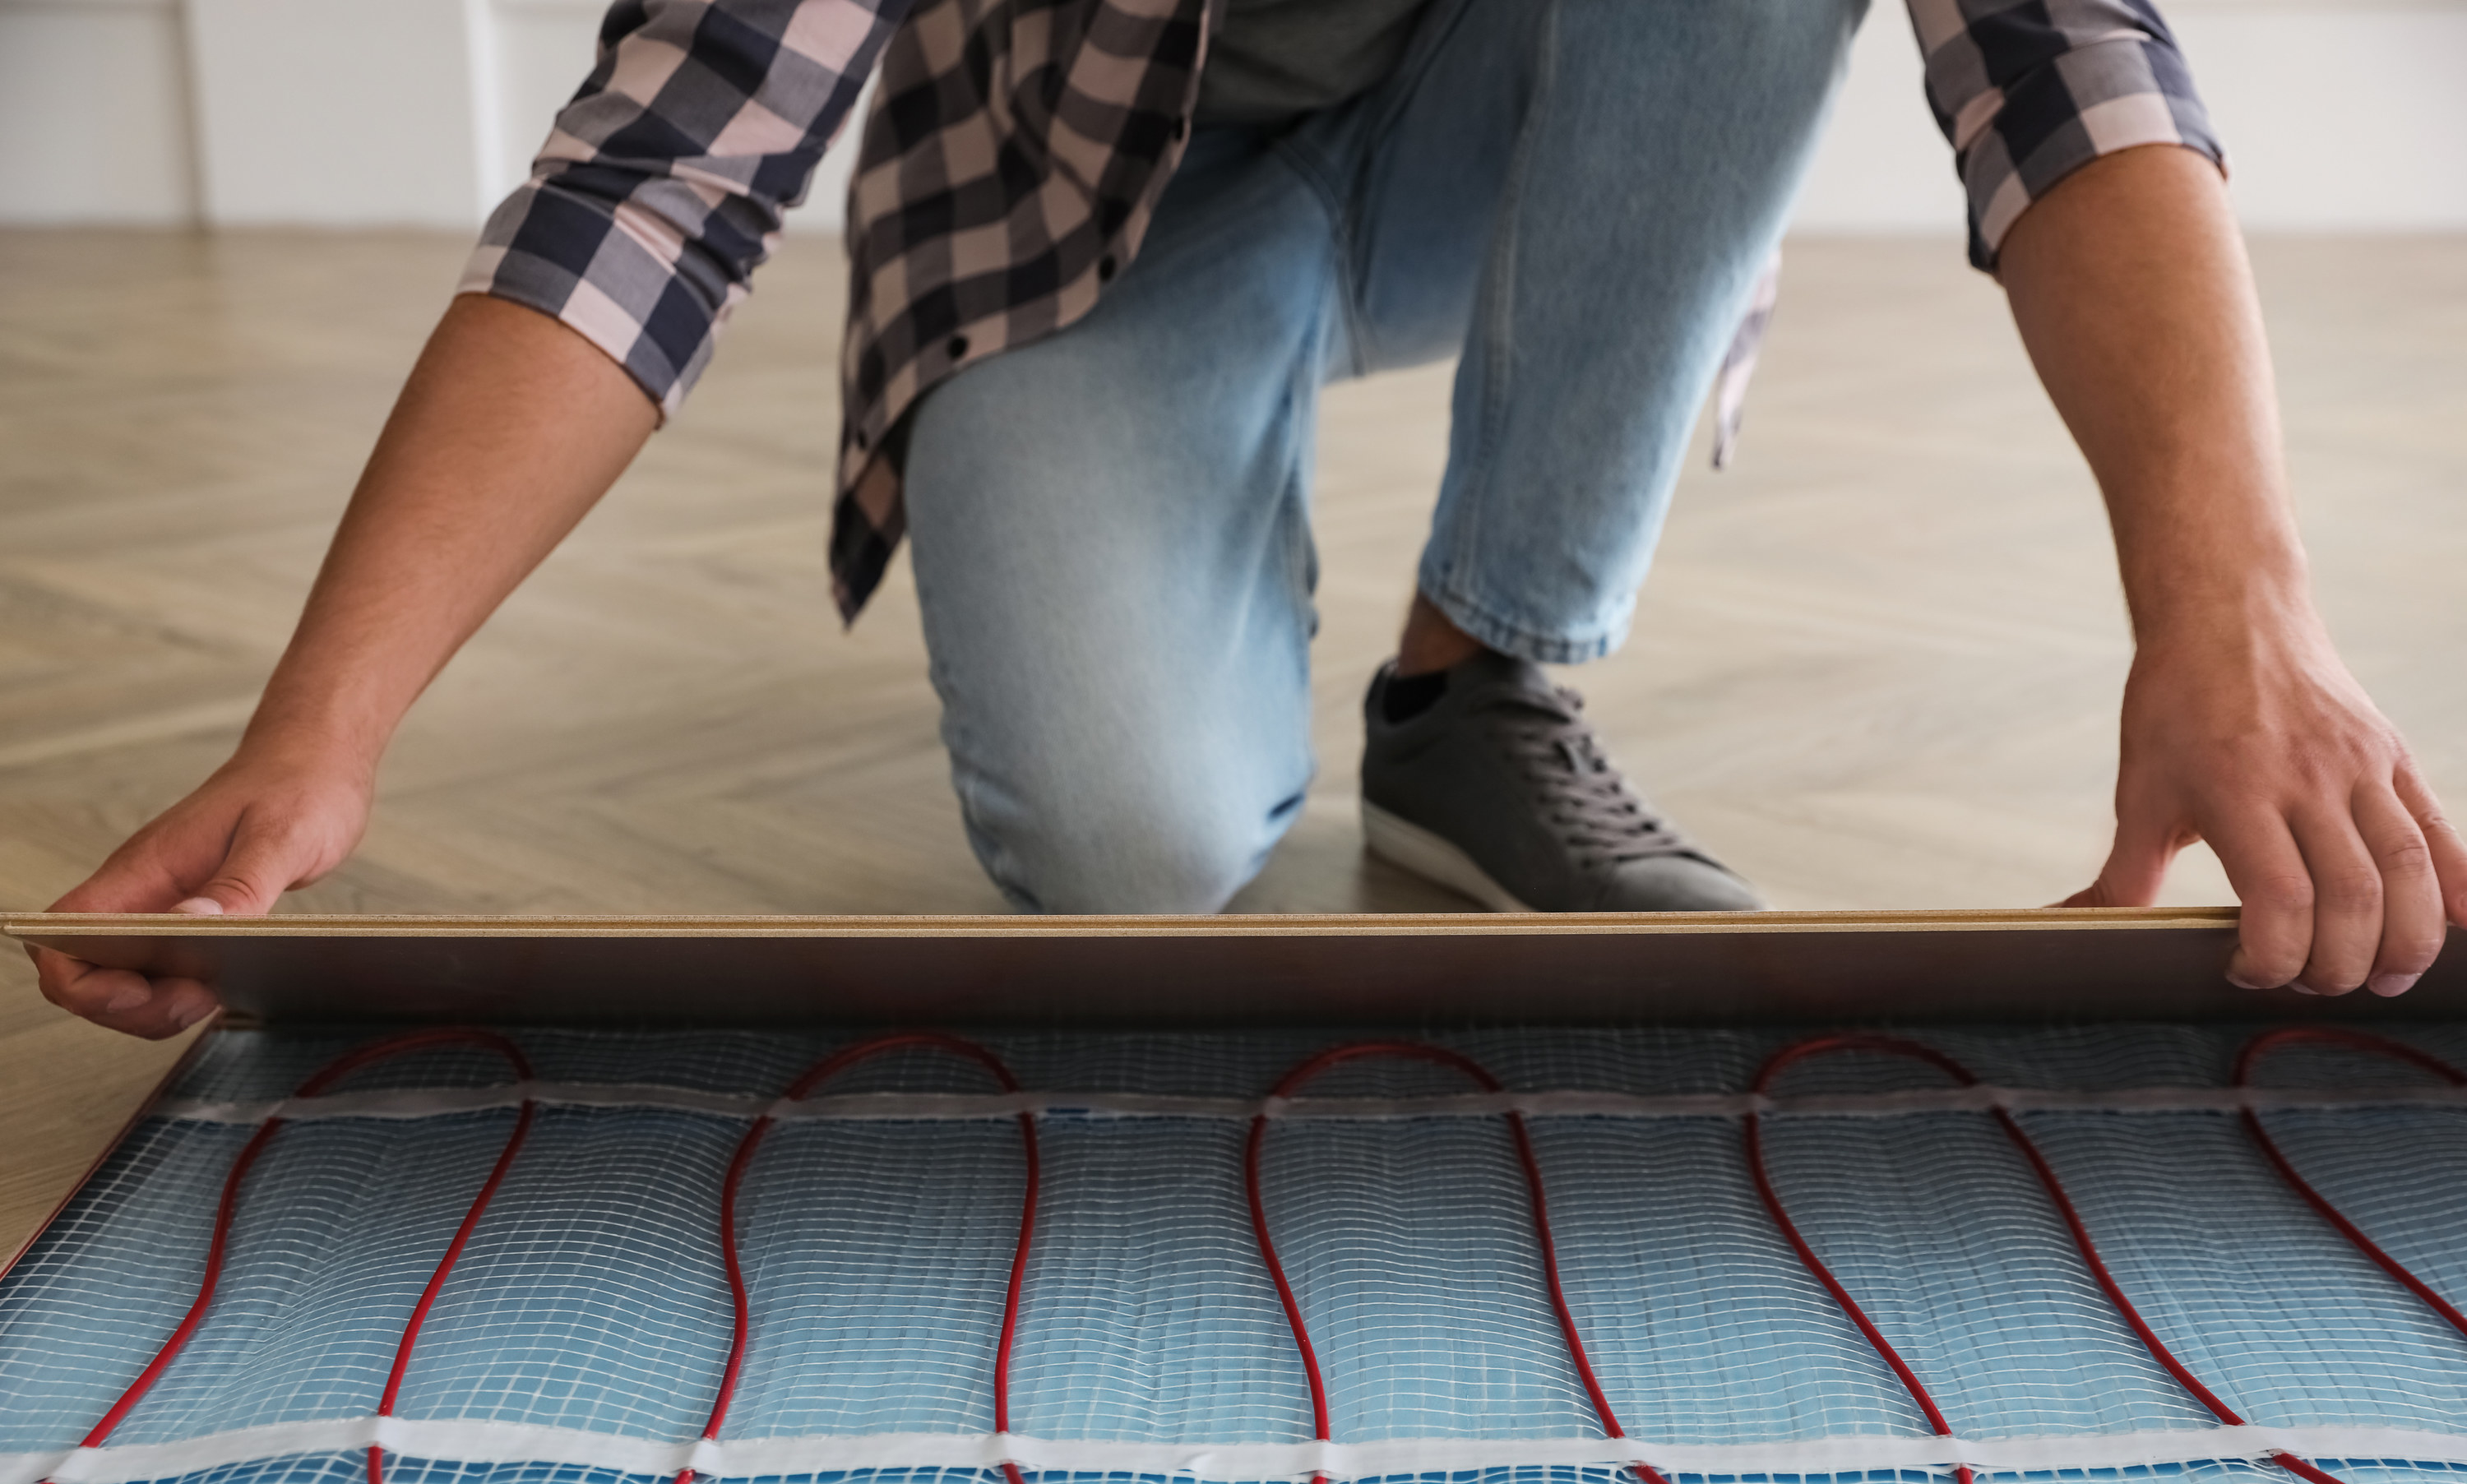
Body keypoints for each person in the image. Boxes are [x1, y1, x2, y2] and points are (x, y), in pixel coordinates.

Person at [34, 0, 2465, 1038]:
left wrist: (2233, 612)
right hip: (1084, 216)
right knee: (1129, 835)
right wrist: (317, 736)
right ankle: (1186, 463)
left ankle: (1477, 681)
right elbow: (667, 174)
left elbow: (2058, 53)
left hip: (1493, 132)